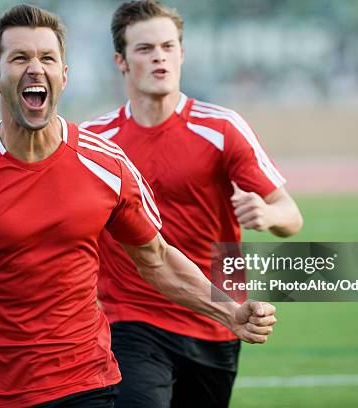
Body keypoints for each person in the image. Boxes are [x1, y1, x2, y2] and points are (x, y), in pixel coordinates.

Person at [0, 4, 278, 407]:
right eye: (19, 58)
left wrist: (229, 311)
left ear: (64, 75)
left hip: (86, 384)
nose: (35, 67)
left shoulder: (106, 165)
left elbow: (157, 259)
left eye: (47, 58)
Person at [80, 1, 303, 407]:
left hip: (217, 314)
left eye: (168, 46)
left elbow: (291, 216)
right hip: (131, 317)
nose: (159, 56)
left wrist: (269, 215)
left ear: (182, 53)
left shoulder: (221, 127)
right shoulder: (95, 141)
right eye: (145, 48)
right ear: (121, 61)